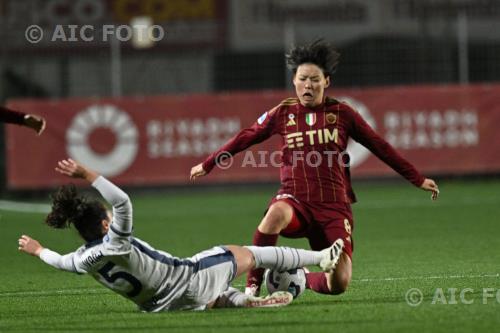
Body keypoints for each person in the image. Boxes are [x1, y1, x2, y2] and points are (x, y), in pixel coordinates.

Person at [190, 39, 439, 297]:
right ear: (294, 81)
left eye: (314, 79)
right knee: (275, 215)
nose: (308, 84)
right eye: (302, 78)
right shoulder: (283, 112)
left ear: (326, 82)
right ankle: (252, 288)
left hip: (333, 206)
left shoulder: (343, 114)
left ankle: (302, 277)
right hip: (295, 200)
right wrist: (209, 163)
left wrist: (417, 179)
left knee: (339, 284)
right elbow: (245, 137)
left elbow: (380, 146)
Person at [18, 158, 345, 312]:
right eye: (108, 216)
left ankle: (247, 301)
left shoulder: (83, 259)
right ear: (105, 225)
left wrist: (36, 250)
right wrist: (87, 173)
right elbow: (123, 200)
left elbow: (58, 260)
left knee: (216, 295)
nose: (112, 216)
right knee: (248, 253)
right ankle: (321, 258)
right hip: (187, 279)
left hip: (164, 307)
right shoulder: (116, 240)